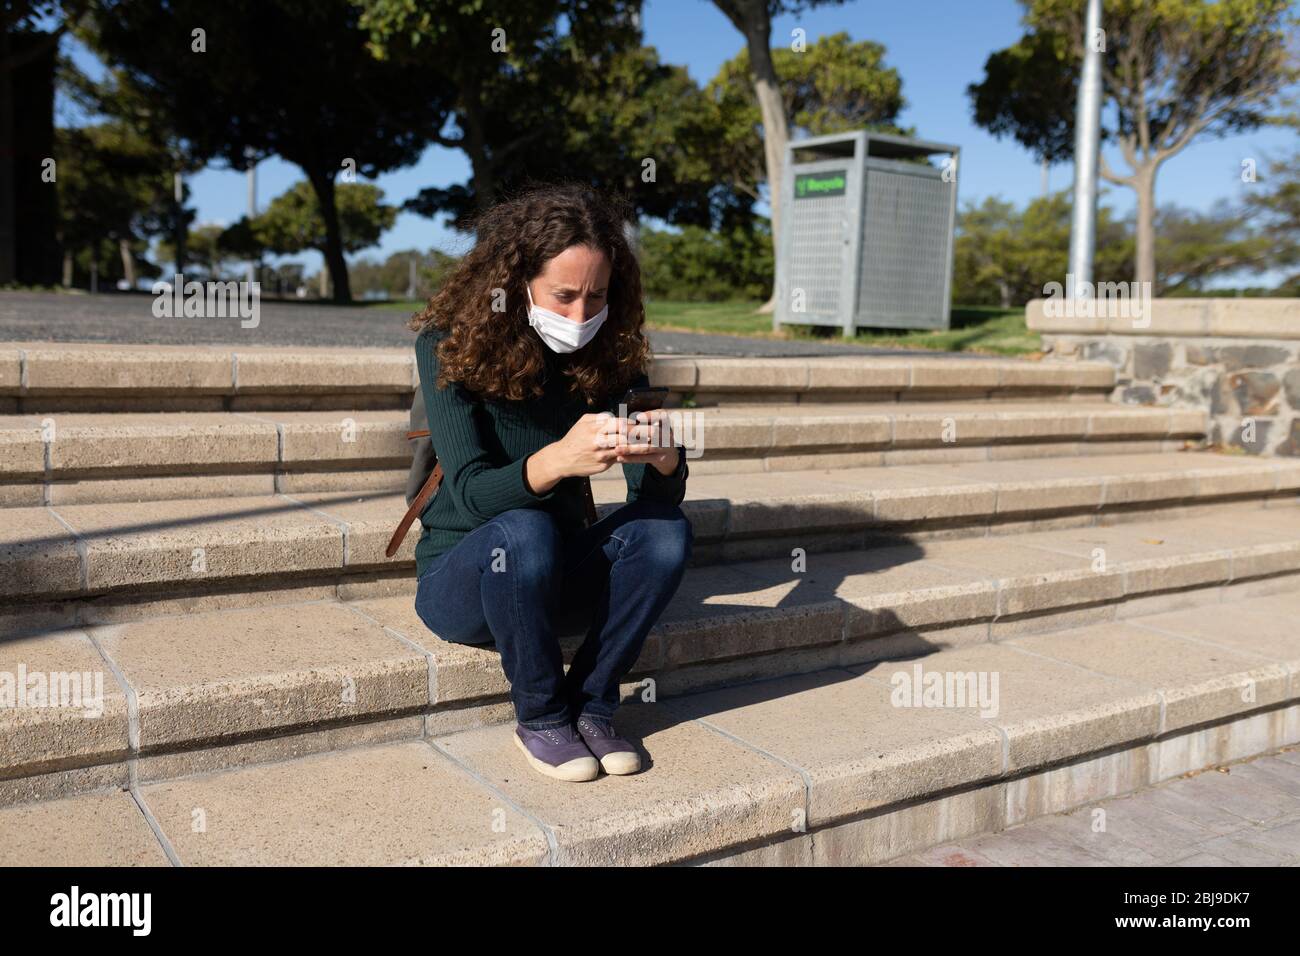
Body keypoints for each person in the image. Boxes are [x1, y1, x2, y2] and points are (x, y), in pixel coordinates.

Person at [409, 182, 693, 783]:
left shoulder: (610, 353)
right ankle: (540, 716)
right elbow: (470, 493)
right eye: (563, 296)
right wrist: (559, 460)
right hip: (466, 576)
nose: (580, 316)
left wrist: (666, 463)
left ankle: (593, 704)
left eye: (596, 296)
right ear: (517, 283)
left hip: (556, 573)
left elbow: (650, 504)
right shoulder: (448, 346)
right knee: (524, 529)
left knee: (665, 534)